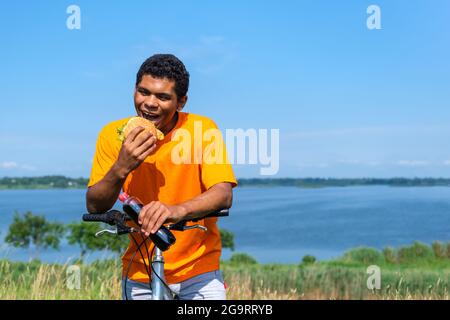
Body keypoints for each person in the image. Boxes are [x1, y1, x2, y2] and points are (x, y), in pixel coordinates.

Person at [86, 54, 237, 300]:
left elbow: (223, 193)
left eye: (163, 97)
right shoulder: (112, 134)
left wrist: (174, 210)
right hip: (140, 272)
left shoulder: (202, 129)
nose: (149, 103)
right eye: (143, 92)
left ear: (181, 102)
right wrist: (121, 166)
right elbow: (95, 204)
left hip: (199, 271)